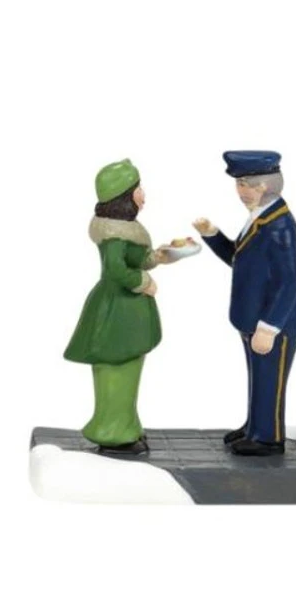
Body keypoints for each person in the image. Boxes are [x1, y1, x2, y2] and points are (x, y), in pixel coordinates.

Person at [194, 151, 296, 456]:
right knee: (259, 375)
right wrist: (212, 235)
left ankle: (268, 438)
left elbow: (289, 281)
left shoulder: (279, 226)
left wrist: (269, 328)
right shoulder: (260, 218)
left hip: (275, 320)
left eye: (246, 184)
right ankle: (255, 427)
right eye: (239, 184)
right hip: (254, 316)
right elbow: (240, 259)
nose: (241, 191)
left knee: (269, 377)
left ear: (266, 186)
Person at [63, 159, 179, 456]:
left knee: (129, 370)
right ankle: (113, 431)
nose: (143, 194)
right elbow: (116, 270)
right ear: (124, 196)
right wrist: (143, 281)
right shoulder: (114, 234)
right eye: (138, 189)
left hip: (127, 312)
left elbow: (134, 259)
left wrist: (159, 257)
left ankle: (126, 425)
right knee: (118, 370)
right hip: (116, 310)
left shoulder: (127, 229)